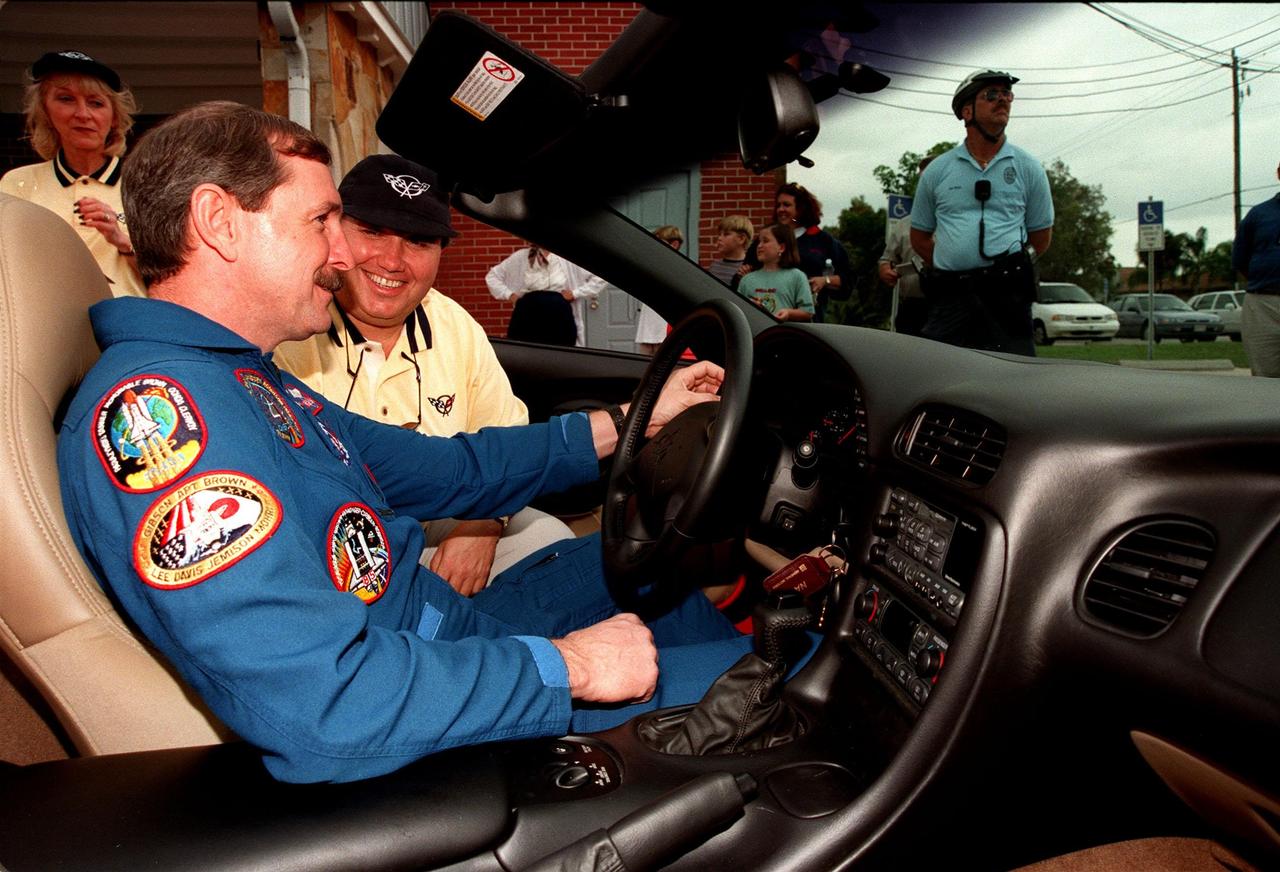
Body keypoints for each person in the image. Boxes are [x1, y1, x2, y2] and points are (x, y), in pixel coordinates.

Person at [56, 101, 760, 784]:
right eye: (321, 220)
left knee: (660, 580)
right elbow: (325, 703)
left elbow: (453, 470)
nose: (344, 252)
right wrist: (571, 667)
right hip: (421, 693)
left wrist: (638, 415)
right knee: (787, 690)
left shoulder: (243, 377)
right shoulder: (166, 421)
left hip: (437, 627)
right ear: (219, 223)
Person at [273, 154, 574, 595]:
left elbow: (506, 436)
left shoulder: (454, 325)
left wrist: (484, 523)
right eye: (372, 232)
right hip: (328, 538)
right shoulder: (292, 325)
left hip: (441, 520)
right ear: (334, 232)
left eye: (417, 241)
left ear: (439, 254)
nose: (392, 261)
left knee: (551, 542)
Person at [910, 69, 1053, 357]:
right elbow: (919, 236)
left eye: (1007, 95)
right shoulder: (938, 170)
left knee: (1013, 378)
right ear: (967, 111)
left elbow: (1041, 236)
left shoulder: (1028, 167)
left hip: (1008, 296)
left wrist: (1007, 266)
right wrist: (953, 261)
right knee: (938, 370)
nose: (1002, 101)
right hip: (952, 295)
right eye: (991, 95)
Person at [0, 50, 145, 297]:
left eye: (96, 103)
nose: (82, 114)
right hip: (46, 321)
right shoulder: (17, 183)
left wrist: (121, 241)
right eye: (66, 99)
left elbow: (171, 277)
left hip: (127, 324)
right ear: (45, 111)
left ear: (113, 117)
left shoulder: (146, 183)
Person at [486, 244, 607, 346]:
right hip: (527, 317)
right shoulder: (521, 257)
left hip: (559, 318)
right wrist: (510, 295)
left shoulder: (567, 258)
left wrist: (575, 293)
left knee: (563, 354)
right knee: (526, 354)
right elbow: (492, 277)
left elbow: (600, 277)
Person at [773, 183, 852, 323]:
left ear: (800, 209)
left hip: (810, 319)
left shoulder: (823, 240)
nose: (781, 209)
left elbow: (847, 279)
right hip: (771, 315)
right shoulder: (768, 237)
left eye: (786, 205)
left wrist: (825, 281)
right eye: (778, 205)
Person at [1232, 159, 1280, 377]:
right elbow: (1240, 260)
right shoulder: (1259, 214)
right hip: (1263, 304)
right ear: (1279, 173)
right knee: (1265, 376)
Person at [879, 155, 935, 336]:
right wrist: (885, 270)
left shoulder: (959, 222)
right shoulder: (904, 224)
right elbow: (886, 259)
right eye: (922, 180)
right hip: (911, 308)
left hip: (946, 308)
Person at [736, 222, 814, 322]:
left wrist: (788, 313)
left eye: (765, 241)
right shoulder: (746, 280)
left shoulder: (797, 276)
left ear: (781, 247)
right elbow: (738, 313)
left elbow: (808, 312)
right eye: (759, 241)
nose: (759, 246)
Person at [634, 225, 682, 355]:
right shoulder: (650, 266)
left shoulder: (681, 270)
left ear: (674, 245)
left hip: (665, 334)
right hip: (646, 331)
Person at [708, 214, 753, 286]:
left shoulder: (748, 269)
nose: (719, 238)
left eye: (726, 234)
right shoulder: (714, 266)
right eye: (719, 234)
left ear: (741, 239)